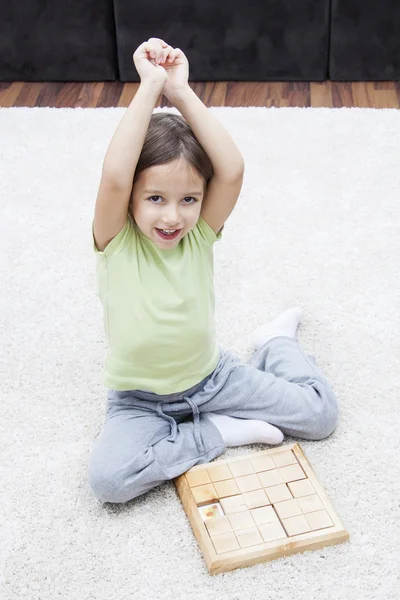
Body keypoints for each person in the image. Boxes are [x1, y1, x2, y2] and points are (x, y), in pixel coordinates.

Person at [88, 37, 339, 504]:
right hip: (139, 401)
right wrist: (151, 87)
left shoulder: (199, 233)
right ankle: (218, 433)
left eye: (188, 200)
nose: (172, 218)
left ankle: (275, 343)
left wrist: (181, 92)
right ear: (132, 201)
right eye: (156, 199)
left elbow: (232, 169)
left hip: (213, 378)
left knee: (321, 416)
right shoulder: (116, 240)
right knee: (109, 481)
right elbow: (116, 176)